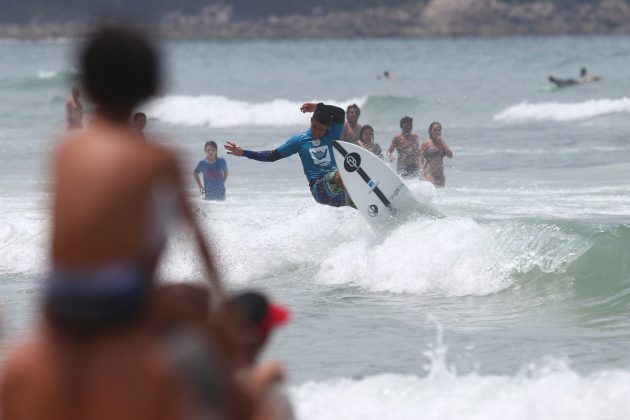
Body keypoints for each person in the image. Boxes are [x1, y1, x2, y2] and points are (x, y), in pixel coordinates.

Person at [1, 25, 223, 420]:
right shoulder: (158, 156)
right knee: (195, 312)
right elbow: (196, 237)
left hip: (58, 298)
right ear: (152, 87)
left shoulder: (64, 149)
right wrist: (223, 301)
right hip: (117, 300)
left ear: (86, 84)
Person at [225, 102, 354, 208]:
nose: (317, 132)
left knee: (357, 202)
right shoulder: (299, 141)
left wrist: (318, 107)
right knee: (342, 174)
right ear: (311, 121)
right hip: (319, 189)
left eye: (321, 129)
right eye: (314, 127)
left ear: (328, 127)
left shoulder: (332, 134)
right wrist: (243, 153)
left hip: (336, 187)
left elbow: (340, 113)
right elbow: (272, 156)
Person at [419, 122, 453, 187]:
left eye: (439, 130)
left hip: (440, 174)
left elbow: (450, 155)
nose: (437, 132)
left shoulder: (442, 143)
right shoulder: (426, 143)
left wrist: (442, 143)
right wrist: (421, 170)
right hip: (429, 172)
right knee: (432, 190)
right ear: (430, 131)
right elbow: (420, 158)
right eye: (435, 130)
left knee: (440, 193)